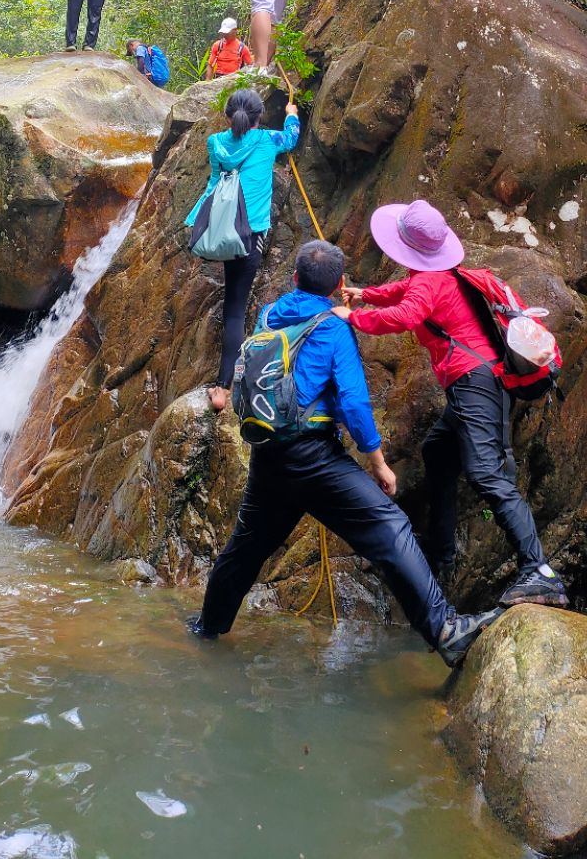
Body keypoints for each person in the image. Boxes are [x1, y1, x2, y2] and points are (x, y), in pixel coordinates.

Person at [188, 240, 500, 667]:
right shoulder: (333, 328)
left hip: (269, 455)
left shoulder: (270, 314)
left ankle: (207, 629)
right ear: (337, 285)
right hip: (313, 458)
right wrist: (378, 463)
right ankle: (445, 629)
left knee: (245, 549)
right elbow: (353, 402)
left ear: (294, 277)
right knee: (391, 527)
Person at [333, 200, 569, 610]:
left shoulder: (429, 282)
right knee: (438, 451)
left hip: (474, 380)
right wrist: (364, 294)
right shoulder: (437, 274)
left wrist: (353, 317)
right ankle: (441, 551)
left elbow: (406, 314)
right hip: (473, 381)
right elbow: (402, 293)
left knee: (485, 474)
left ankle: (539, 570)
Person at [185, 88, 299, 412]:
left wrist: (197, 220)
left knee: (231, 302)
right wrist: (291, 114)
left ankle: (222, 382)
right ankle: (223, 388)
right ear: (258, 116)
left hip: (224, 230)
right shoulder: (266, 140)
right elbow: (291, 138)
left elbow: (213, 184)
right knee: (236, 308)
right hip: (250, 236)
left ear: (228, 116)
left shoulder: (215, 143)